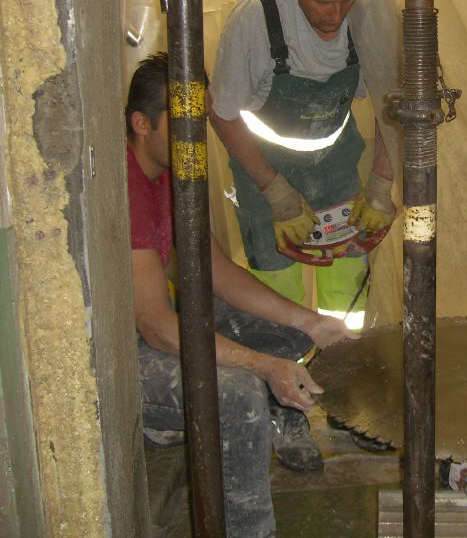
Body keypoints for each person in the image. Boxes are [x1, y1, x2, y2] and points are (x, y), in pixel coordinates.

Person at [127, 53, 358, 537]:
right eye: (181, 122)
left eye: (198, 121)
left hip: (159, 326)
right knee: (239, 397)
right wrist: (262, 366)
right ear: (141, 124)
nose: (194, 135)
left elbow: (212, 272)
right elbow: (154, 324)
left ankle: (283, 418)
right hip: (122, 358)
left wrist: (309, 321)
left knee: (291, 336)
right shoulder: (123, 186)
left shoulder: (175, 171)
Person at [208, 0, 393, 331]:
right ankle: (286, 375)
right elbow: (221, 112)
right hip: (265, 167)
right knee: (276, 288)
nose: (336, 14)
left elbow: (390, 104)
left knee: (349, 281)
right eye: (324, 2)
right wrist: (275, 191)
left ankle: (347, 365)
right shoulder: (255, 21)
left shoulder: (363, 14)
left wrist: (381, 181)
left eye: (347, 0)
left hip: (334, 163)